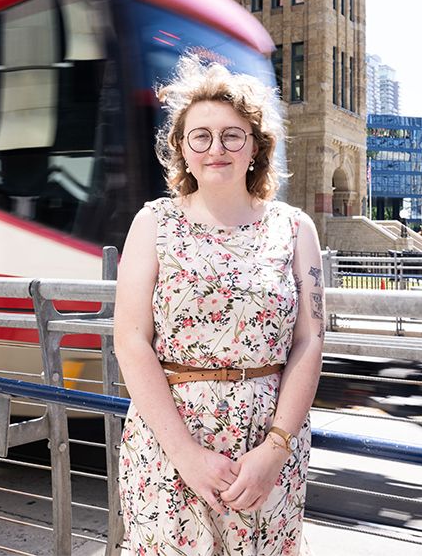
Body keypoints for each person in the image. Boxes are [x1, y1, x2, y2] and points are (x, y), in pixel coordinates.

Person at [114, 54, 325, 555]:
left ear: (255, 147)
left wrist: (276, 449)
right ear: (182, 151)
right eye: (200, 136)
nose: (216, 148)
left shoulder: (296, 229)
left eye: (233, 135)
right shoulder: (153, 223)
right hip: (170, 444)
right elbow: (131, 339)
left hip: (268, 446)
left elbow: (311, 339)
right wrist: (186, 454)